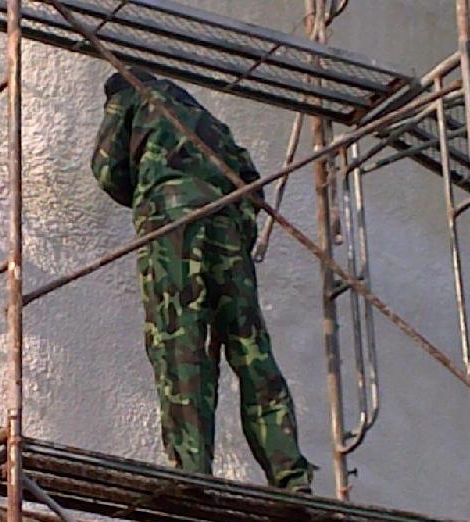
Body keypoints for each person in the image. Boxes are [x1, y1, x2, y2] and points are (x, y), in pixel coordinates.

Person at [90, 69, 314, 493]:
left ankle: (192, 471)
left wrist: (148, 193)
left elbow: (106, 169)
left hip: (173, 223)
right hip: (227, 226)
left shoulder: (130, 96)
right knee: (249, 347)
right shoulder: (206, 120)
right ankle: (290, 474)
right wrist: (233, 226)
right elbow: (251, 183)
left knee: (180, 341)